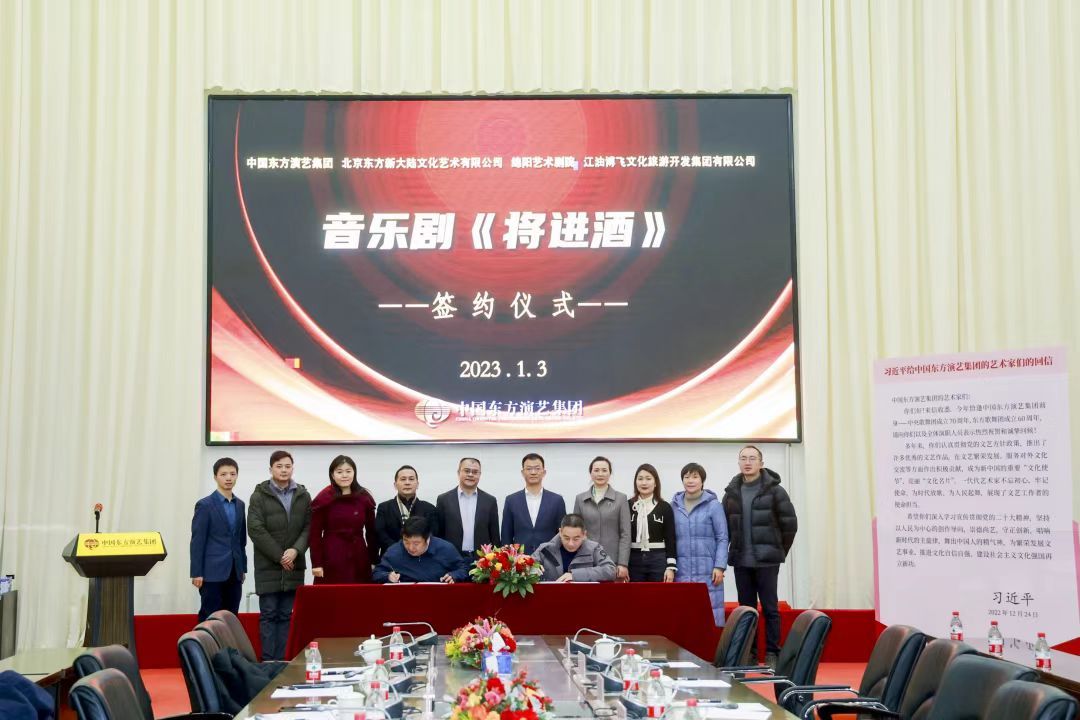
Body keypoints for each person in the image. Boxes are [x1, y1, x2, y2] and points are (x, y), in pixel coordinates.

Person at [722, 445, 798, 667]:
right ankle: (750, 652)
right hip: (741, 561)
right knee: (746, 609)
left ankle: (773, 652)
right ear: (739, 463)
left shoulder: (775, 491)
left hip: (767, 561)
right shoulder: (731, 493)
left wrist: (777, 551)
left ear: (761, 463)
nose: (748, 462)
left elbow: (790, 525)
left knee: (770, 608)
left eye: (752, 458)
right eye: (743, 458)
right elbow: (725, 529)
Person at [248, 450, 312, 660]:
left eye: (287, 466)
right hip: (268, 567)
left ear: (292, 468)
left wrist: (295, 551)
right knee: (269, 615)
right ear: (271, 469)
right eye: (279, 466)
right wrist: (280, 556)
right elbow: (255, 529)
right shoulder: (259, 496)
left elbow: (308, 527)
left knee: (287, 616)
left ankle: (284, 662)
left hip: (294, 567)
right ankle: (269, 663)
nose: (284, 470)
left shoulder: (303, 495)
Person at [190, 457, 247, 621]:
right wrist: (196, 572)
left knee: (231, 617)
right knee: (210, 616)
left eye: (232, 474)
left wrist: (242, 568)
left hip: (234, 571)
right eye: (223, 474)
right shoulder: (205, 505)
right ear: (215, 477)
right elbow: (197, 541)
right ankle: (205, 640)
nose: (228, 478)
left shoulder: (240, 504)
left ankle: (228, 641)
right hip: (211, 572)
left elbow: (241, 540)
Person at [672, 462, 729, 627]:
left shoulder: (714, 506)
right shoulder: (674, 506)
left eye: (695, 477)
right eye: (686, 477)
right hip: (681, 571)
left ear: (702, 481)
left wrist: (720, 566)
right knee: (683, 618)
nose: (690, 480)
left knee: (709, 616)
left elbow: (722, 537)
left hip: (708, 571)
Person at [309, 455, 377, 584]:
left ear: (354, 473)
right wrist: (317, 563)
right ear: (332, 475)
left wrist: (374, 560)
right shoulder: (324, 498)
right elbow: (314, 534)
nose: (344, 475)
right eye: (339, 472)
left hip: (359, 554)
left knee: (359, 594)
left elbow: (371, 533)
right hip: (332, 554)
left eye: (348, 471)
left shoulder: (364, 497)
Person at [572, 456, 630, 581]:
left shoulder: (621, 499)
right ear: (591, 473)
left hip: (613, 561)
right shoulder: (580, 499)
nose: (600, 474)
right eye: (596, 470)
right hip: (586, 560)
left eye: (604, 470)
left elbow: (625, 534)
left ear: (610, 473)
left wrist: (623, 563)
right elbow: (575, 532)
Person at [501, 453, 567, 554]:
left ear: (544, 472)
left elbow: (562, 533)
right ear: (523, 472)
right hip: (520, 559)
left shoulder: (557, 500)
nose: (533, 472)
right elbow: (506, 535)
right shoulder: (511, 500)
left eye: (537, 468)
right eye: (529, 469)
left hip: (549, 557)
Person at [435, 457, 500, 557]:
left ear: (480, 475)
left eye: (475, 472)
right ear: (458, 472)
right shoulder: (444, 500)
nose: (470, 474)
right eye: (467, 471)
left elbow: (494, 535)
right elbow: (439, 534)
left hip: (482, 559)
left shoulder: (490, 501)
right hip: (451, 557)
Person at [373, 516, 469, 583]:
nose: (410, 548)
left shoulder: (445, 549)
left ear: (427, 539)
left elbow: (464, 569)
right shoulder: (394, 551)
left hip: (439, 597)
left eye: (416, 543)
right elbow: (377, 573)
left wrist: (455, 575)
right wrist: (387, 576)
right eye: (406, 542)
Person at [374, 464, 438, 561]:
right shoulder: (384, 508)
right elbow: (380, 534)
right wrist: (399, 550)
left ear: (417, 484)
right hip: (391, 558)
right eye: (403, 479)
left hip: (422, 560)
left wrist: (416, 548)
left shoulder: (429, 508)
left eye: (411, 479)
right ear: (395, 485)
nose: (407, 483)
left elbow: (433, 535)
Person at [627, 463, 677, 582]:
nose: (644, 483)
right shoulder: (627, 506)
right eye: (640, 479)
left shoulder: (665, 507)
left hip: (658, 559)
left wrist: (671, 567)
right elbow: (622, 536)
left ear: (655, 483)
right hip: (633, 560)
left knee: (658, 593)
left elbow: (670, 538)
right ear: (635, 482)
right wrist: (622, 564)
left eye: (648, 479)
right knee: (635, 594)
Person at [533, 514, 616, 582]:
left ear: (584, 535)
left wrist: (574, 575)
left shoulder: (594, 548)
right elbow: (527, 567)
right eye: (566, 538)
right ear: (560, 532)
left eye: (576, 539)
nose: (571, 544)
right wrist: (532, 569)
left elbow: (611, 570)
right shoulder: (544, 549)